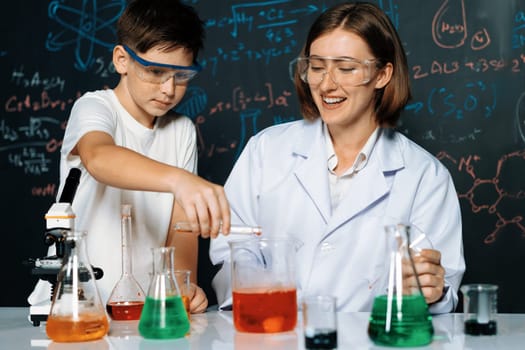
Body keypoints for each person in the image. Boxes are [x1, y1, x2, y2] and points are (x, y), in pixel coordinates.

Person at [209, 2, 465, 314]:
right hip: (271, 332)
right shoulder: (265, 151)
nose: (327, 84)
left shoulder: (425, 177)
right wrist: (264, 300)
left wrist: (433, 291)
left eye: (345, 68)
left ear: (383, 74)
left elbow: (441, 291)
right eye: (317, 67)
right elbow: (231, 251)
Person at [29, 0, 231, 314]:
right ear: (122, 60)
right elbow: (99, 158)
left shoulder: (182, 130)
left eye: (182, 76)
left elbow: (182, 226)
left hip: (144, 306)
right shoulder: (95, 107)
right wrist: (179, 180)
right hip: (76, 305)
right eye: (155, 71)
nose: (168, 89)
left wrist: (183, 283)